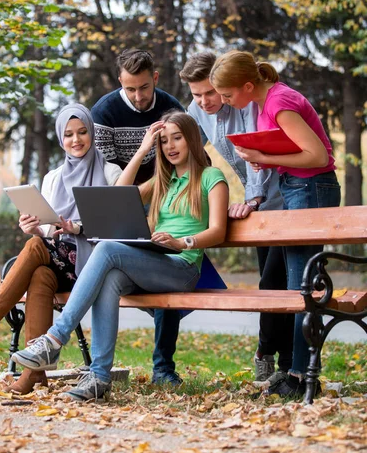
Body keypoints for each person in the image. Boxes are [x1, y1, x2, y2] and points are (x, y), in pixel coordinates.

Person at [12, 111, 229, 402]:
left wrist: (182, 241)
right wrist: (143, 150)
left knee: (106, 248)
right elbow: (119, 194)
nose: (170, 146)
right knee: (111, 278)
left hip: (184, 266)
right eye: (164, 141)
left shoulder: (210, 177)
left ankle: (54, 339)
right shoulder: (162, 180)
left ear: (191, 139)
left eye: (177, 138)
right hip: (158, 261)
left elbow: (218, 230)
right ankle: (99, 377)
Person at [0, 103, 129, 394]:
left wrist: (75, 228)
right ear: (60, 138)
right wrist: (33, 226)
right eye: (68, 134)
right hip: (57, 258)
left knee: (34, 249)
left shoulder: (109, 172)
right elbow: (47, 228)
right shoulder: (53, 177)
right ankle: (34, 374)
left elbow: (116, 226)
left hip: (94, 263)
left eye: (82, 132)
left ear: (92, 133)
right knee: (40, 272)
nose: (76, 140)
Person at [210, 50, 341, 398]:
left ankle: (300, 377)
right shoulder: (268, 101)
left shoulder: (279, 101)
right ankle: (296, 372)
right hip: (297, 188)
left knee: (302, 288)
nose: (225, 102)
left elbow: (318, 156)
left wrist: (263, 158)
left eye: (226, 95)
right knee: (298, 285)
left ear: (248, 86)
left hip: (309, 189)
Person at [180, 52, 292, 382]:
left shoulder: (245, 104)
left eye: (209, 93)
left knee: (277, 282)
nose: (204, 100)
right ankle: (272, 356)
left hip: (281, 196)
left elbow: (256, 155)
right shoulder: (196, 111)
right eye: (196, 94)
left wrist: (253, 199)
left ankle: (275, 357)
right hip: (257, 204)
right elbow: (194, 159)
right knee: (270, 283)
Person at [91, 49, 185, 386]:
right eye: (130, 88)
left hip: (166, 200)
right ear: (120, 82)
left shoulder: (172, 107)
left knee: (167, 268)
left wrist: (158, 189)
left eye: (144, 87)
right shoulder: (103, 113)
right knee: (117, 267)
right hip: (123, 198)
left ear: (155, 79)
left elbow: (185, 162)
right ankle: (99, 370)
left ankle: (163, 367)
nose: (138, 96)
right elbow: (112, 181)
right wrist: (147, 182)